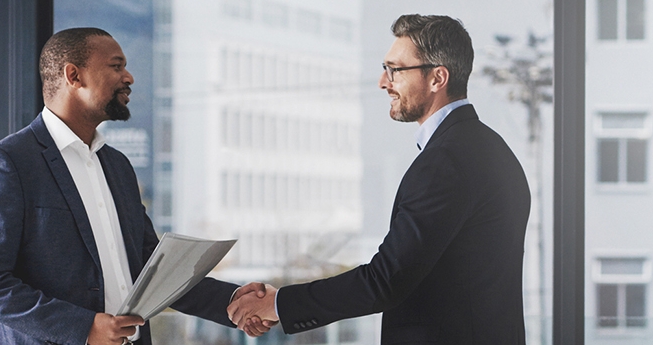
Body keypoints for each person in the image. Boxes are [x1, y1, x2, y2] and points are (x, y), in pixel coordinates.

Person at [226, 14, 532, 344]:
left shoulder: (445, 162)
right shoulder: (490, 148)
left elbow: (384, 280)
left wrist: (277, 303)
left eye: (395, 70)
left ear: (437, 78)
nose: (383, 82)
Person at [0, 27, 268, 345]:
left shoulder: (117, 165)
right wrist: (82, 328)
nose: (129, 77)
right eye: (116, 66)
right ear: (73, 75)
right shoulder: (8, 162)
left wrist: (231, 301)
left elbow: (151, 270)